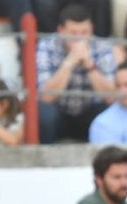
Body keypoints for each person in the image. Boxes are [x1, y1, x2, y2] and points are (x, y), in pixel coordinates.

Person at [35, 3, 117, 144]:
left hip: (90, 114)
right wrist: (69, 63)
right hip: (59, 114)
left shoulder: (102, 47)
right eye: (73, 33)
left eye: (84, 33)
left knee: (111, 111)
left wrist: (90, 65)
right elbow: (46, 97)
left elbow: (111, 97)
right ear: (61, 31)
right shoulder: (46, 46)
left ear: (91, 30)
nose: (79, 39)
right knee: (44, 111)